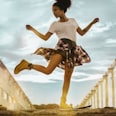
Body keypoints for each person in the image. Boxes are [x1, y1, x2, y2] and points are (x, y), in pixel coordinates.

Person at [14, 0, 99, 108]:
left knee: (67, 78)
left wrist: (92, 23)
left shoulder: (73, 21)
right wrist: (32, 30)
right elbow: (45, 38)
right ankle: (27, 65)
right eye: (52, 11)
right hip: (61, 47)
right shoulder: (55, 24)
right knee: (48, 71)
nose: (54, 13)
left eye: (55, 10)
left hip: (72, 50)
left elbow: (82, 33)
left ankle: (63, 102)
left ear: (62, 9)